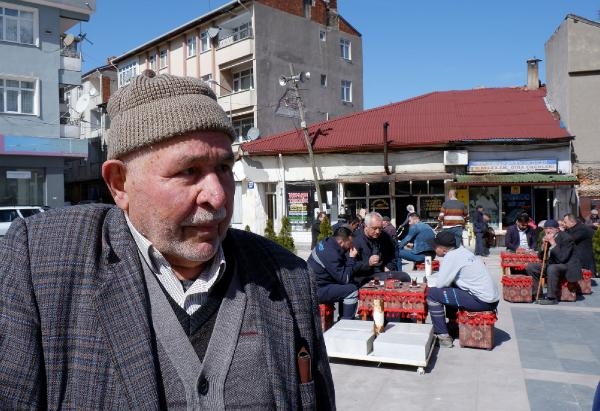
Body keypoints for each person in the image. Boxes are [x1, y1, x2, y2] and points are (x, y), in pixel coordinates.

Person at [0, 71, 335, 409]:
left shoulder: (287, 276)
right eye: (188, 171)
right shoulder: (40, 265)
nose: (217, 197)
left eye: (223, 168)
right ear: (119, 183)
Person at [426, 231, 499, 348]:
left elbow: (440, 284)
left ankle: (443, 336)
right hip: (491, 298)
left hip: (482, 301)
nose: (434, 249)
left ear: (443, 250)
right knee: (450, 287)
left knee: (433, 294)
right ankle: (453, 326)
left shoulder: (451, 256)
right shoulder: (463, 251)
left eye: (435, 247)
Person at [525, 219, 582, 305]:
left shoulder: (566, 238)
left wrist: (553, 243)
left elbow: (562, 258)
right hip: (553, 264)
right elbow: (541, 257)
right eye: (546, 228)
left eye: (551, 228)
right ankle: (537, 294)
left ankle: (552, 297)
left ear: (557, 229)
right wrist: (543, 247)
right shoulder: (545, 237)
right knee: (531, 267)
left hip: (567, 265)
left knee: (552, 268)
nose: (548, 230)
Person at [308, 226, 359, 319]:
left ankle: (342, 318)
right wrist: (351, 258)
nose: (351, 245)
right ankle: (346, 324)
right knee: (352, 290)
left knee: (346, 287)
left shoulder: (327, 242)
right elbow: (345, 279)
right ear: (341, 242)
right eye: (350, 242)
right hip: (316, 290)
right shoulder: (331, 253)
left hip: (315, 284)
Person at [352, 211, 410, 284]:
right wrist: (368, 263)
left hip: (381, 272)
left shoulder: (384, 236)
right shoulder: (355, 239)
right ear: (366, 226)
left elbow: (394, 251)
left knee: (405, 277)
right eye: (374, 228)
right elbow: (351, 266)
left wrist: (389, 266)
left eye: (380, 228)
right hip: (364, 275)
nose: (377, 231)